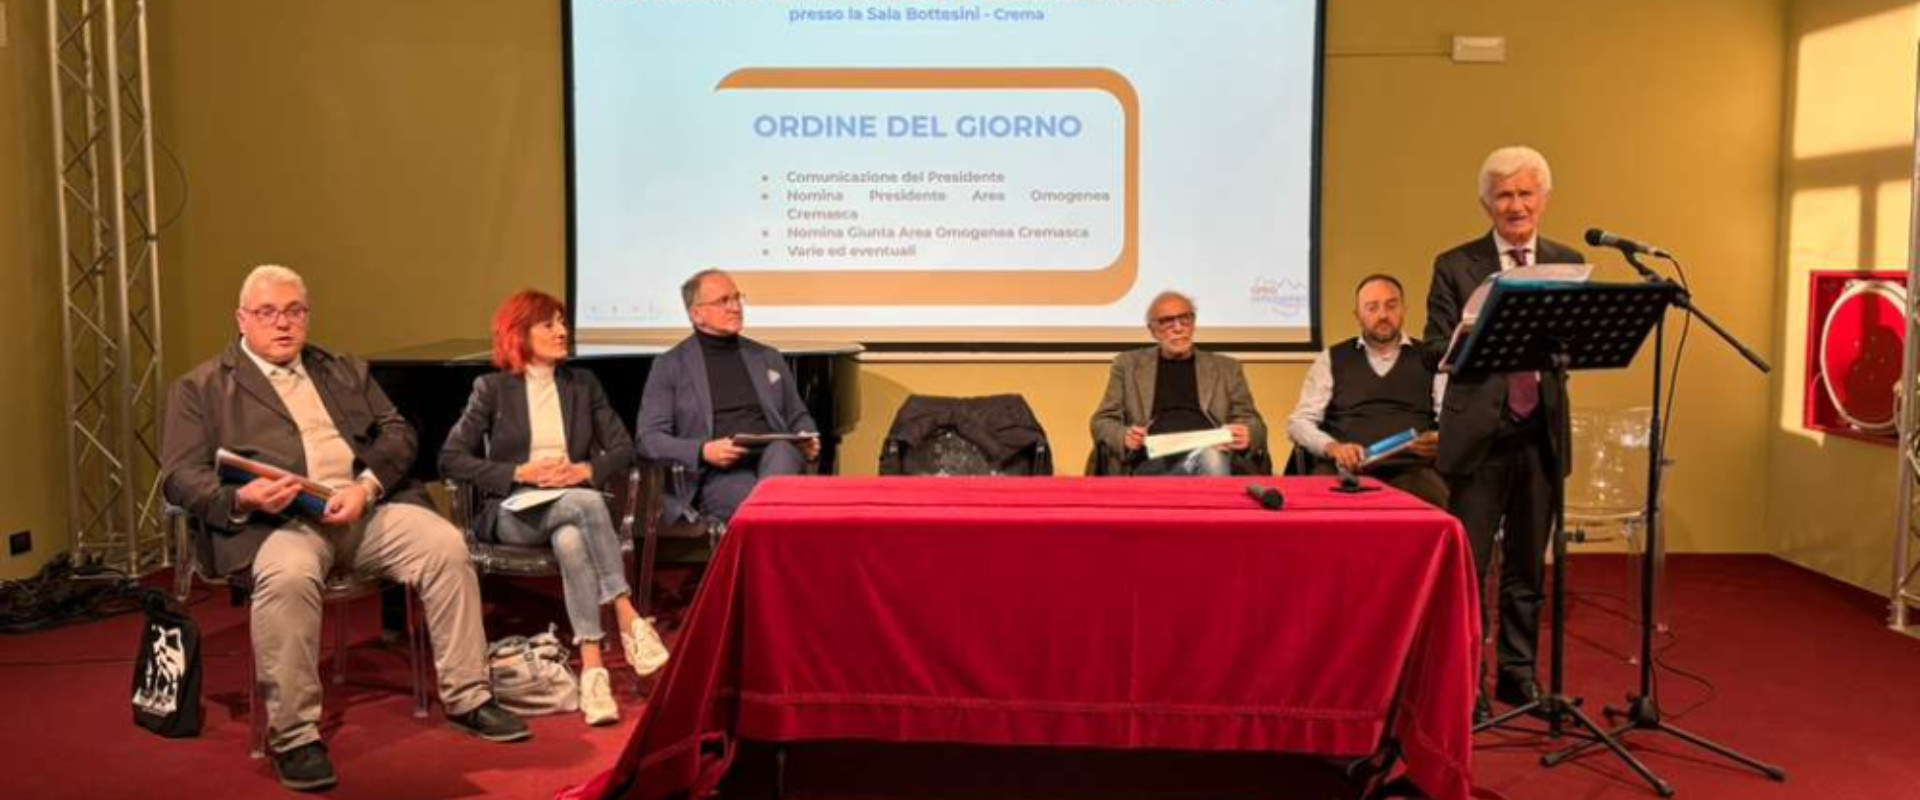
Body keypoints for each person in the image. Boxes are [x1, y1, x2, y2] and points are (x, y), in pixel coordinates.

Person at [161, 265, 528, 792]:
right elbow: (179, 476)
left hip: (362, 511)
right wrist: (240, 496)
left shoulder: (340, 369)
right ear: (242, 319)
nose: (282, 323)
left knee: (446, 545)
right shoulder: (201, 387)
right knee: (288, 577)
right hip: (278, 525)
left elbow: (399, 433)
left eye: (294, 311)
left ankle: (470, 697)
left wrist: (367, 487)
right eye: (268, 312)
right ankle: (295, 737)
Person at [439, 290, 670, 727]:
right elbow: (450, 459)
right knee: (586, 504)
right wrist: (519, 471)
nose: (562, 331)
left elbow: (623, 449)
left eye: (563, 322)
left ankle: (593, 671)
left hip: (572, 510)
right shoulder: (491, 389)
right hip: (513, 511)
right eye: (549, 324)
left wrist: (584, 469)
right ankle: (628, 618)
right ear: (520, 333)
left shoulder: (583, 385)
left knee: (571, 539)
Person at [1423, 146, 1583, 719]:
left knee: (1527, 567)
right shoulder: (1455, 264)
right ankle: (1467, 683)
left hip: (1541, 433)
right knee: (1471, 568)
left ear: (1544, 199)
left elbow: (1578, 345)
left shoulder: (1568, 262)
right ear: (1486, 204)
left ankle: (1519, 675)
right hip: (1480, 436)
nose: (1516, 206)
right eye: (1504, 196)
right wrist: (1474, 337)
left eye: (1525, 193)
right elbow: (1433, 347)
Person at [635, 269, 820, 526]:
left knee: (782, 452)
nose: (735, 307)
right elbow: (648, 439)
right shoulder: (670, 366)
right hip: (720, 470)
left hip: (774, 456)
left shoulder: (767, 357)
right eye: (723, 301)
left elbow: (797, 416)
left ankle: (766, 530)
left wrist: (807, 436)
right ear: (697, 314)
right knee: (746, 499)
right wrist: (702, 451)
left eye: (737, 298)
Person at [1286, 274, 1447, 507]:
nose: (1383, 315)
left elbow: (1449, 419)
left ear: (1404, 310)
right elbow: (1299, 422)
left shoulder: (1431, 358)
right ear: (1358, 315)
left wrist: (1440, 439)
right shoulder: (1331, 358)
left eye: (1391, 306)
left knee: (1430, 500)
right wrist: (1332, 448)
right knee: (1317, 503)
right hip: (1343, 467)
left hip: (1413, 468)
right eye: (1372, 308)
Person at [1090, 291, 1267, 476]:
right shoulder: (1128, 366)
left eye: (1185, 319)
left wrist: (1248, 433)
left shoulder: (1226, 368)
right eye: (1167, 322)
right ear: (1153, 330)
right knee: (1211, 461)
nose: (1178, 328)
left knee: (1212, 458)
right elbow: (1102, 421)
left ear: (1194, 323)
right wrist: (1124, 436)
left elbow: (1252, 421)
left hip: (1209, 452)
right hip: (1152, 458)